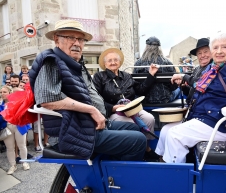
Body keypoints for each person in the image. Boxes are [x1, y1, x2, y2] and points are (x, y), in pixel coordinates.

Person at [29, 19, 146, 161]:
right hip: (76, 132)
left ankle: (112, 169)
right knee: (139, 140)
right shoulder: (51, 62)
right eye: (70, 38)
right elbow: (47, 99)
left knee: (135, 129)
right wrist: (92, 110)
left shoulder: (75, 64)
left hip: (89, 125)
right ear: (56, 39)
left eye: (80, 39)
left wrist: (107, 110)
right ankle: (121, 178)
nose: (77, 43)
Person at [156, 31, 226, 163]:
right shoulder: (212, 68)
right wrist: (183, 79)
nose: (219, 51)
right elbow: (198, 85)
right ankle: (162, 163)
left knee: (175, 135)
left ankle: (175, 177)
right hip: (205, 117)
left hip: (223, 123)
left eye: (224, 47)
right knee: (165, 130)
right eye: (215, 48)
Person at [93, 48, 159, 161]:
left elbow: (141, 90)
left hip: (132, 109)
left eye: (115, 60)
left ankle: (144, 146)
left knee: (150, 119)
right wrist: (112, 108)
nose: (113, 62)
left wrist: (151, 75)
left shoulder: (127, 76)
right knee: (133, 124)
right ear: (105, 64)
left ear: (119, 62)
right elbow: (96, 99)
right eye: (109, 60)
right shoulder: (99, 77)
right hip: (114, 112)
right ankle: (138, 148)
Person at [133, 36, 180, 104]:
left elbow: (136, 86)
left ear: (146, 47)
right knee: (179, 89)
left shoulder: (138, 63)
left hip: (144, 100)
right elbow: (174, 86)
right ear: (159, 48)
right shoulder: (167, 63)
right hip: (165, 99)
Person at [170, 38, 213, 104]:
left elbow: (202, 83)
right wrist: (184, 87)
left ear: (212, 52)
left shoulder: (214, 67)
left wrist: (183, 76)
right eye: (199, 53)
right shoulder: (197, 69)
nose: (203, 55)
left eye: (205, 52)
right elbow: (192, 91)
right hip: (193, 106)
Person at [0, 85, 30, 174]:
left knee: (22, 145)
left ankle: (25, 162)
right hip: (6, 127)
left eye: (4, 92)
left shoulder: (17, 102)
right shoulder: (0, 105)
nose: (2, 94)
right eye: (1, 92)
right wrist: (3, 118)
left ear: (10, 93)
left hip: (18, 126)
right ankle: (12, 165)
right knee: (10, 148)